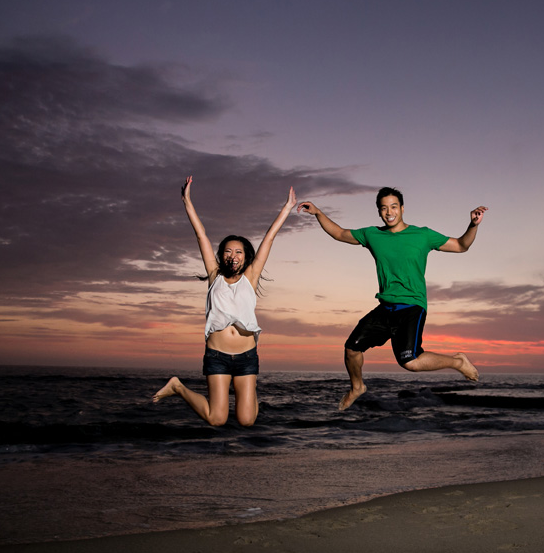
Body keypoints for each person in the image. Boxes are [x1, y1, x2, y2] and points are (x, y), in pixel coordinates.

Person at [297, 187, 488, 410]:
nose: (389, 212)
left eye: (394, 207)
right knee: (352, 348)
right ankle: (357, 387)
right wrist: (318, 212)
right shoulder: (372, 235)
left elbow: (461, 245)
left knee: (410, 361)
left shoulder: (422, 235)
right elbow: (339, 233)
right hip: (386, 306)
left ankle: (458, 361)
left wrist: (473, 225)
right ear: (379, 211)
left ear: (402, 209)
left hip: (412, 305)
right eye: (384, 208)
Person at [152, 176, 296, 426]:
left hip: (247, 355)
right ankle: (177, 387)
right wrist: (187, 201)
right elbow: (201, 235)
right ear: (221, 256)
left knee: (247, 420)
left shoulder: (250, 278)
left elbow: (269, 239)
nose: (233, 255)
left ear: (245, 257)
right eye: (228, 251)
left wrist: (286, 208)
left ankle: (249, 398)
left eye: (238, 251)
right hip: (217, 355)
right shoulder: (214, 276)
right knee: (216, 418)